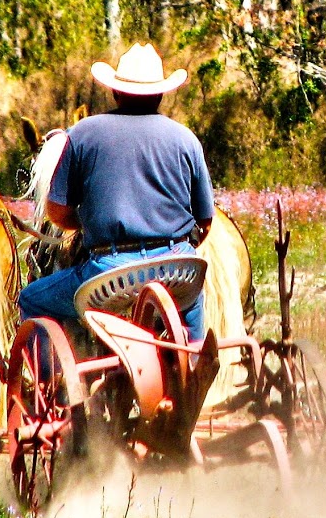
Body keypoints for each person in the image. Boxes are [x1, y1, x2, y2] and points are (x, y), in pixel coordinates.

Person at [18, 44, 213, 341]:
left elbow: (56, 211)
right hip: (177, 266)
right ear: (161, 94)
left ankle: (48, 381)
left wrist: (87, 224)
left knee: (32, 298)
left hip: (110, 274)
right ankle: (196, 357)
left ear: (115, 92)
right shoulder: (187, 139)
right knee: (192, 300)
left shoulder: (83, 134)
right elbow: (205, 222)